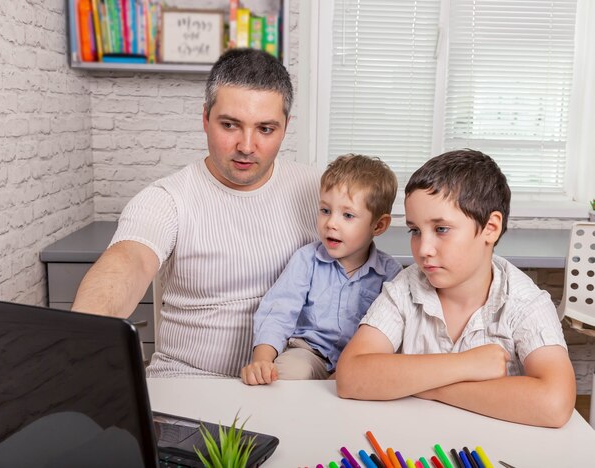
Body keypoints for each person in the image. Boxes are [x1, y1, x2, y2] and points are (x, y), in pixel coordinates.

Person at [71, 48, 321, 378]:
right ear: (205, 118)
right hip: (187, 379)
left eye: (265, 129)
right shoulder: (167, 198)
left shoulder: (318, 190)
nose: (246, 146)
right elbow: (128, 261)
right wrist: (80, 340)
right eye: (230, 125)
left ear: (286, 127)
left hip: (282, 387)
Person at [336, 149, 576, 428]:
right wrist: (467, 365)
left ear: (490, 227)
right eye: (415, 231)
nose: (423, 249)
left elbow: (554, 403)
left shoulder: (524, 301)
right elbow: (351, 376)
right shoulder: (407, 287)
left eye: (441, 229)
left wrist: (428, 387)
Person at [240, 154, 402, 385]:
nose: (331, 223)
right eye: (325, 210)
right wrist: (262, 360)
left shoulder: (390, 274)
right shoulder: (307, 260)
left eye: (347, 215)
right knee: (287, 375)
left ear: (378, 225)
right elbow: (278, 311)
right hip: (309, 353)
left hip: (360, 361)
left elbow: (395, 330)